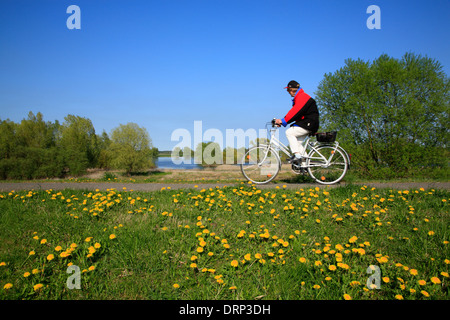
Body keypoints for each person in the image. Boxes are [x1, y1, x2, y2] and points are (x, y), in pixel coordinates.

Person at [275, 80, 319, 164]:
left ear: (291, 90)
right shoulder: (299, 97)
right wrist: (283, 121)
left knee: (289, 132)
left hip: (309, 123)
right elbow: (296, 114)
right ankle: (305, 165)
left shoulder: (302, 97)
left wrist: (283, 121)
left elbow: (295, 112)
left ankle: (297, 156)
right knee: (297, 144)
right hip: (308, 123)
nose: (288, 93)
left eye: (288, 90)